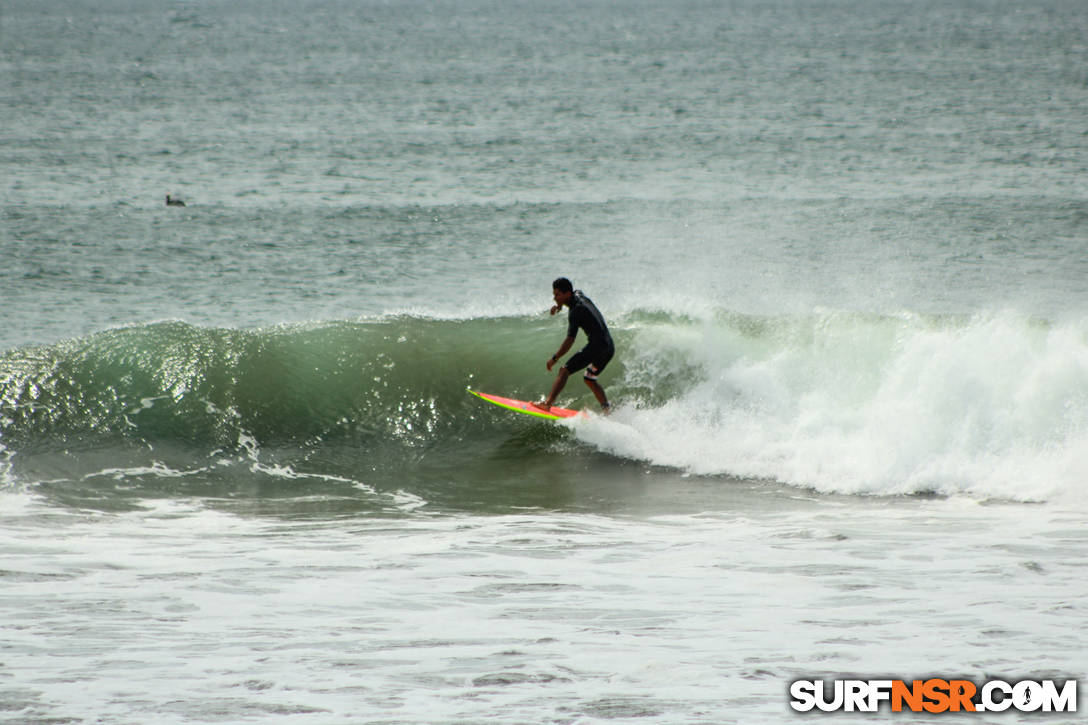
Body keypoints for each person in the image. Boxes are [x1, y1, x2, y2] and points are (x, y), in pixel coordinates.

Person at [536, 277, 614, 413]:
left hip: (597, 346)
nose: (555, 298)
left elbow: (569, 341)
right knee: (589, 378)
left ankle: (547, 404)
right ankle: (607, 410)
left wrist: (554, 358)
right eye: (554, 295)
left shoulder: (575, 312)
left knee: (564, 370)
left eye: (557, 295)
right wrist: (559, 306)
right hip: (609, 346)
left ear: (567, 294)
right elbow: (570, 298)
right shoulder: (578, 294)